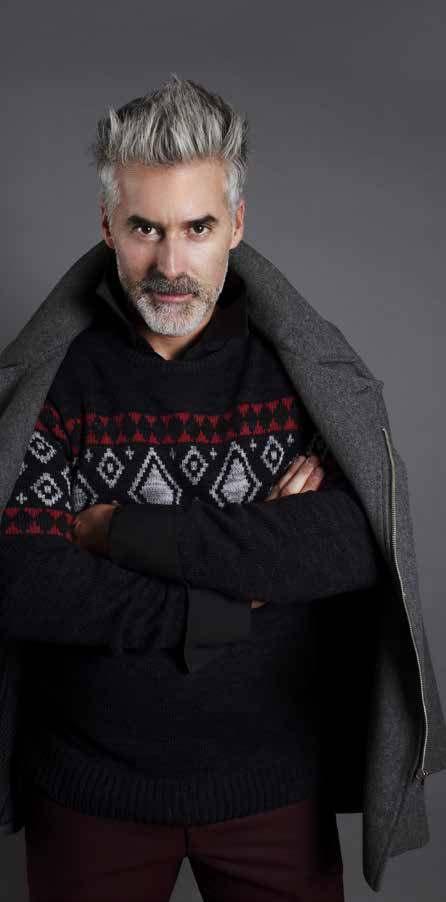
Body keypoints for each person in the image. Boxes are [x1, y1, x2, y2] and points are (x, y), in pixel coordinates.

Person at [0, 74, 432, 901]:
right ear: (107, 226)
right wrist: (228, 599)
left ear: (236, 222)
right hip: (91, 796)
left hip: (277, 792)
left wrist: (117, 532)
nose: (171, 264)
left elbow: (349, 545)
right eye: (145, 229)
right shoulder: (55, 381)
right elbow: (26, 583)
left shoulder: (303, 376)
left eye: (197, 227)